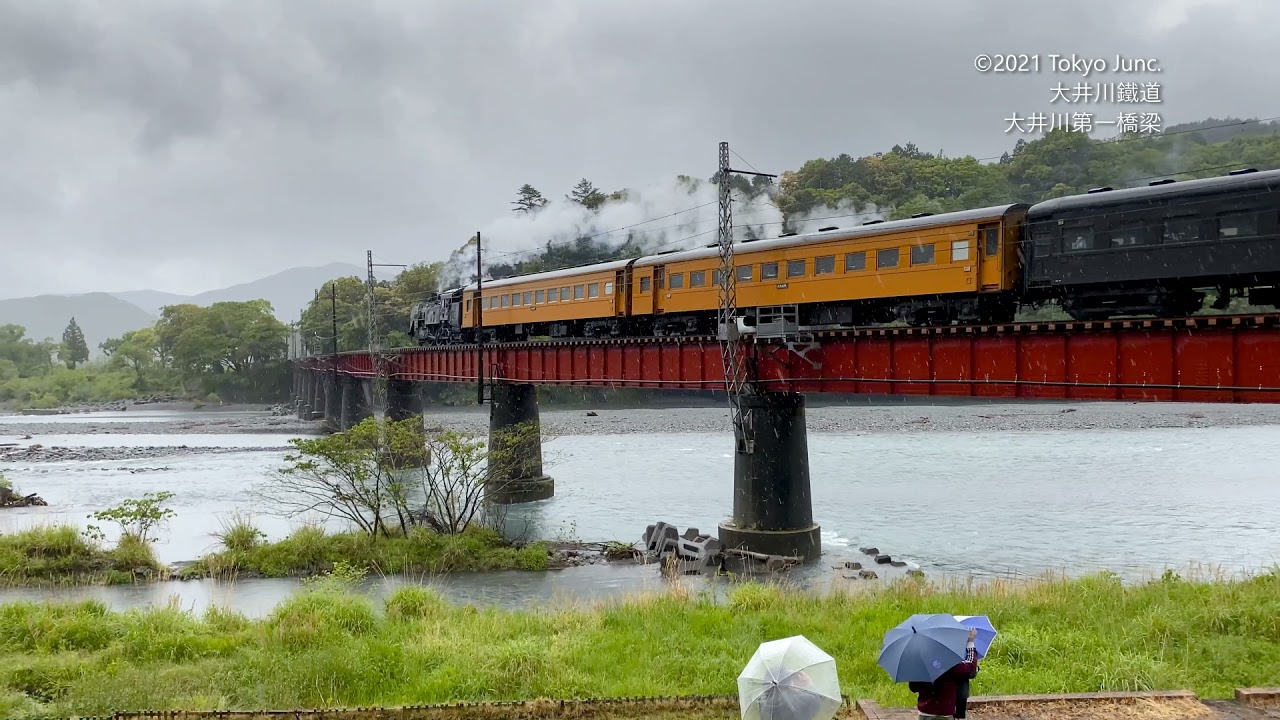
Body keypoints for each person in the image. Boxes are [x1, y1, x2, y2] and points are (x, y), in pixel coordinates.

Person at [908, 628, 978, 720]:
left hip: (925, 713)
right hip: (945, 713)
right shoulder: (949, 662)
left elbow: (913, 687)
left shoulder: (921, 662)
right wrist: (970, 643)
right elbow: (970, 666)